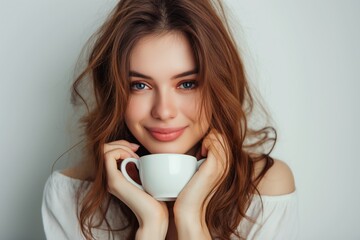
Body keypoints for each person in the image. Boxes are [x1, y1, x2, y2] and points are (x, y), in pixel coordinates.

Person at [42, 0, 298, 239]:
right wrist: (151, 227)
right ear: (115, 91)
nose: (163, 112)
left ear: (218, 86)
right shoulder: (71, 196)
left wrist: (190, 220)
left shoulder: (265, 189)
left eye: (187, 83)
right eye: (140, 85)